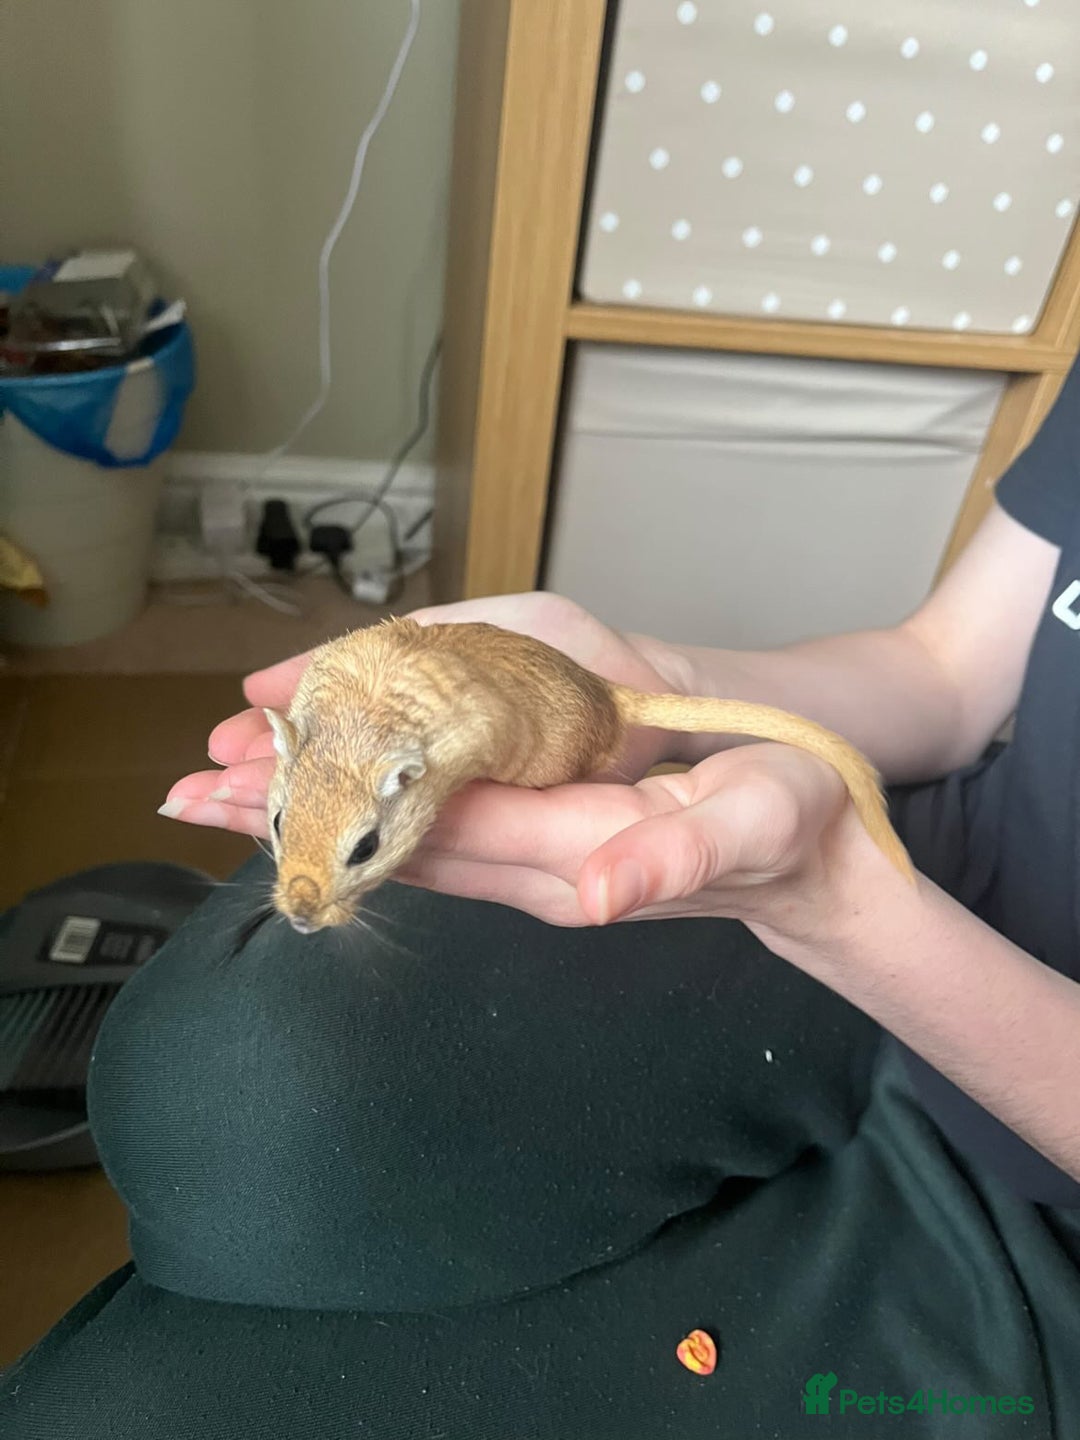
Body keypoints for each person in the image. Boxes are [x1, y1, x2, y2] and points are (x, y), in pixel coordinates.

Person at [5, 365, 1080, 1438]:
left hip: (1036, 1185)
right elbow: (944, 673)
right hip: (943, 862)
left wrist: (843, 911)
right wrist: (647, 681)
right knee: (206, 1079)